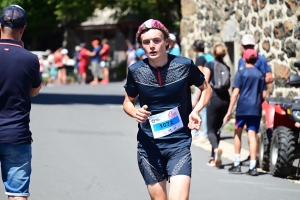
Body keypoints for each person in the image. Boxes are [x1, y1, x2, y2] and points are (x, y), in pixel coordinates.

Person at [123, 19, 212, 200]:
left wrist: (196, 110)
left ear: (167, 42)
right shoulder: (135, 70)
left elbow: (206, 89)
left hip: (179, 144)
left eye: (156, 40)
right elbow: (127, 102)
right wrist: (135, 112)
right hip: (149, 146)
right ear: (141, 46)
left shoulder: (184, 65)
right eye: (146, 42)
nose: (152, 46)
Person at [0, 5, 42, 200]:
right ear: (23, 29)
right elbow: (34, 91)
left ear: (0, 27)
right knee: (17, 194)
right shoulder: (30, 59)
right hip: (16, 134)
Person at [224, 49, 267, 176]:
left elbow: (235, 93)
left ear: (244, 59)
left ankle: (237, 163)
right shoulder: (260, 74)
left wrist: (229, 111)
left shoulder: (240, 73)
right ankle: (253, 166)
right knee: (252, 135)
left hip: (242, 108)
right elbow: (264, 94)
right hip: (255, 108)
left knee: (238, 132)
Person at [238, 34, 274, 166]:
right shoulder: (241, 61)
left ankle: (256, 156)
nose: (247, 48)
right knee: (249, 129)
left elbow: (269, 77)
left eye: (250, 46)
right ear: (242, 46)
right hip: (244, 100)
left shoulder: (261, 59)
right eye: (245, 46)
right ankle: (253, 156)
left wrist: (255, 82)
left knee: (252, 130)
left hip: (256, 98)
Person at [201, 44, 230, 167]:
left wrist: (198, 99)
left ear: (213, 53)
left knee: (210, 131)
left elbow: (205, 83)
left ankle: (216, 149)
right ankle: (213, 158)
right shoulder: (227, 66)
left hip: (214, 99)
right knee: (217, 129)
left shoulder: (210, 65)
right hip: (225, 100)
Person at [191, 40, 214, 142]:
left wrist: (195, 98)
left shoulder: (200, 58)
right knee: (204, 111)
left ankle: (199, 133)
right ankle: (203, 133)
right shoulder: (208, 57)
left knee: (199, 109)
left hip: (201, 86)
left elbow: (199, 76)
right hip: (210, 85)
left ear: (195, 48)